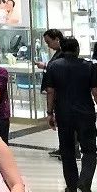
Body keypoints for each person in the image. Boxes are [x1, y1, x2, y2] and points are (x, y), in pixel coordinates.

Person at [43, 37, 97, 192]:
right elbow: (96, 92)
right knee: (89, 150)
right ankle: (85, 180)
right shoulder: (88, 66)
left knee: (67, 150)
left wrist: (50, 113)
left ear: (62, 49)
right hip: (85, 113)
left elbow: (50, 91)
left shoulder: (53, 66)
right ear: (77, 49)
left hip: (63, 113)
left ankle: (72, 187)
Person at [38, 29, 67, 159]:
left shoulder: (63, 54)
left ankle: (70, 149)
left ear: (57, 39)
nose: (48, 45)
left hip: (62, 94)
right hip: (59, 95)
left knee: (66, 124)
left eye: (49, 42)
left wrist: (46, 66)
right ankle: (64, 148)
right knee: (61, 124)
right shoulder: (58, 53)